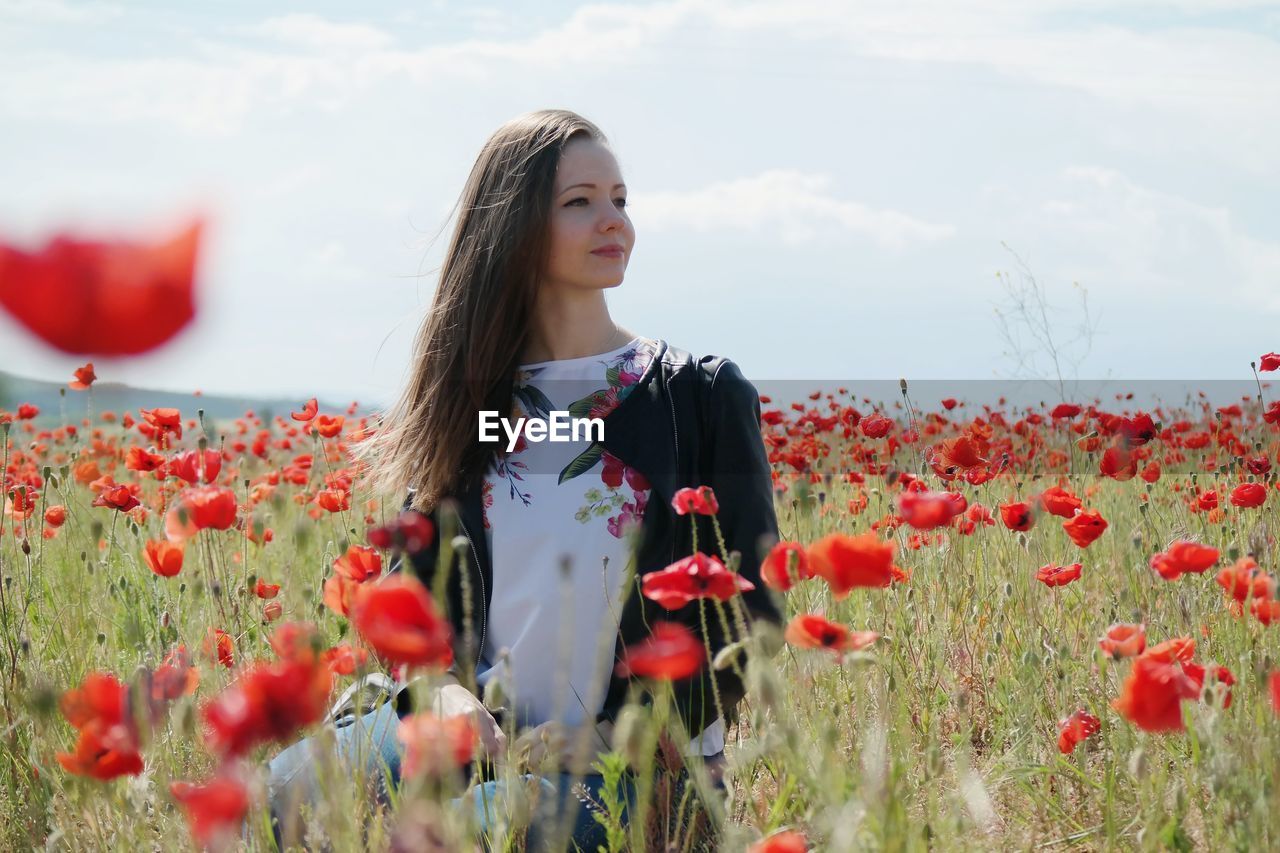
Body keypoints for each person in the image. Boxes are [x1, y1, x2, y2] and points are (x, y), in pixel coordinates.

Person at [266, 109, 782, 850]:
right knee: (283, 796)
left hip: (634, 770)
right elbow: (409, 586)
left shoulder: (696, 398)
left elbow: (752, 611)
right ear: (512, 229)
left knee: (465, 834)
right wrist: (442, 688)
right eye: (580, 202)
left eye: (620, 199)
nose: (615, 221)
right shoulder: (475, 401)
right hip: (477, 735)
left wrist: (621, 733)